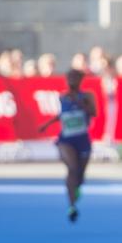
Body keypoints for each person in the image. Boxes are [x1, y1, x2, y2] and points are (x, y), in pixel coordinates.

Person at [38, 69, 96, 222]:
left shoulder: (87, 96)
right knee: (72, 168)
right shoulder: (62, 97)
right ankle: (71, 207)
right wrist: (47, 124)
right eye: (69, 77)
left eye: (75, 77)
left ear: (80, 79)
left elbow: (93, 112)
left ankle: (76, 187)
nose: (71, 80)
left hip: (82, 139)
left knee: (80, 175)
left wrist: (77, 101)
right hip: (66, 139)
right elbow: (62, 114)